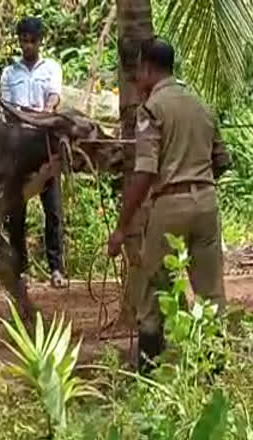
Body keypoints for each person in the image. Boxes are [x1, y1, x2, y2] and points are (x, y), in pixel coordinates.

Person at [107, 38, 230, 371]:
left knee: (152, 294)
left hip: (170, 205)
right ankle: (213, 374)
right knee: (210, 293)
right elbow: (223, 159)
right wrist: (198, 179)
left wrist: (121, 228)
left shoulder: (152, 109)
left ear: (147, 67)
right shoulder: (200, 104)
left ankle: (149, 375)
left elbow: (145, 173)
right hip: (206, 203)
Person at [0, 16, 67, 288]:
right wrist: (24, 117)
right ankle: (20, 269)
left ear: (40, 42)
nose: (27, 46)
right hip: (18, 148)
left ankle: (56, 268)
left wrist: (41, 115)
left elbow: (53, 99)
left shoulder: (51, 68)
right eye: (23, 41)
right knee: (16, 211)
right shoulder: (8, 73)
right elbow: (6, 108)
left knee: (53, 210)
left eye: (32, 41)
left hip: (45, 147)